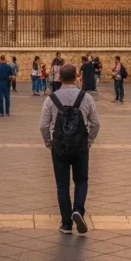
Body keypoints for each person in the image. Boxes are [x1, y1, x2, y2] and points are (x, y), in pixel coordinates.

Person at [40, 63, 99, 234]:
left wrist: (48, 142)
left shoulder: (51, 99)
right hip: (80, 146)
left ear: (59, 78)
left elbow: (43, 125)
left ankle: (66, 223)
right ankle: (77, 210)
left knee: (62, 185)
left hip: (59, 146)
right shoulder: (86, 98)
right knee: (81, 180)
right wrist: (89, 141)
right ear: (76, 76)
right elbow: (95, 124)